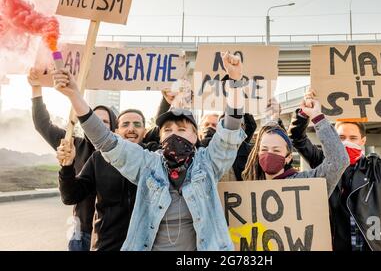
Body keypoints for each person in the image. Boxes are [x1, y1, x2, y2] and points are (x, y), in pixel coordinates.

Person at [53, 52, 247, 251]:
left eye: (181, 130)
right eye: (168, 131)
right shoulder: (147, 165)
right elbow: (105, 140)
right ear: (159, 138)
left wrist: (235, 82)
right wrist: (75, 95)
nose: (174, 136)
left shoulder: (208, 163)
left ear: (196, 136)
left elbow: (230, 130)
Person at [288, 89, 381, 251]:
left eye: (353, 138)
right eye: (341, 138)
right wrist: (304, 113)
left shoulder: (379, 168)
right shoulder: (323, 164)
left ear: (363, 141)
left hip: (373, 246)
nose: (346, 142)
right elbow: (297, 139)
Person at [28, 68, 116, 251]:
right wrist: (36, 89)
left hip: (111, 235)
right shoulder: (72, 144)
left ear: (113, 128)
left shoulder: (122, 153)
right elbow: (42, 124)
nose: (97, 125)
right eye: (93, 119)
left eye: (104, 122)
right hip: (80, 232)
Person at [57, 109, 151, 250]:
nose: (131, 128)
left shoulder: (155, 157)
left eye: (137, 124)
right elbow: (69, 196)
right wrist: (67, 166)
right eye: (125, 124)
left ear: (145, 131)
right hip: (106, 245)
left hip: (146, 245)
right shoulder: (98, 158)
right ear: (116, 131)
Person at [242, 97, 349, 198]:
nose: (269, 154)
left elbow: (338, 161)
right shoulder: (249, 186)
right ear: (257, 153)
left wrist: (317, 117)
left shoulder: (304, 183)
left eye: (276, 150)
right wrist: (272, 118)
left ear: (288, 157)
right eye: (264, 149)